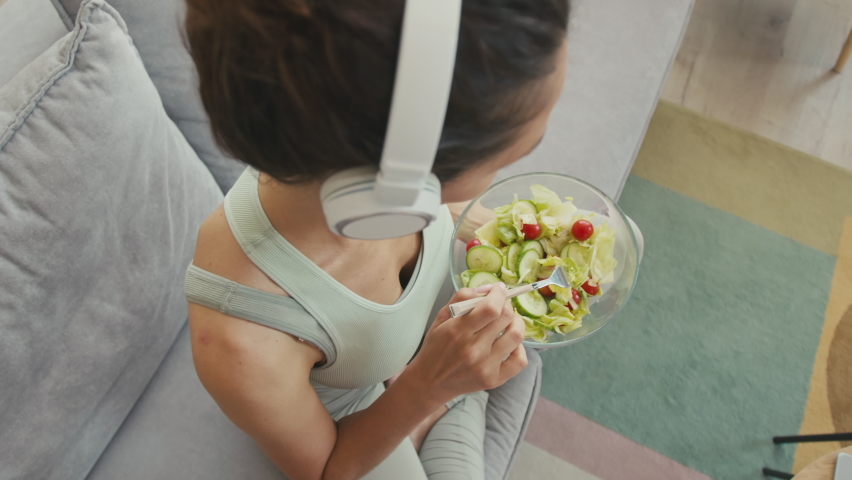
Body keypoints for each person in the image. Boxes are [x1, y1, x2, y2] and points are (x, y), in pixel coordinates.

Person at [181, 0, 570, 478]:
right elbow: (327, 470)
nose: (499, 175)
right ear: (402, 181)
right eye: (500, 162)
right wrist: (428, 386)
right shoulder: (240, 335)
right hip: (354, 417)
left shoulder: (355, 151)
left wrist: (501, 234)